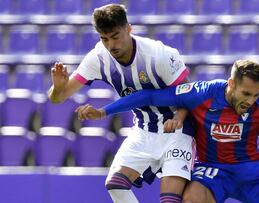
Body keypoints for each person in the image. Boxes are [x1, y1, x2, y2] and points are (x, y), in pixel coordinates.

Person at [76, 59, 259, 203]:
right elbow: (150, 95)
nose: (250, 100)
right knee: (191, 199)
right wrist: (104, 111)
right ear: (231, 84)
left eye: (255, 94)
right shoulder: (203, 93)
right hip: (213, 171)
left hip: (251, 172)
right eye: (246, 94)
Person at [47, 4, 195, 203]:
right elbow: (58, 98)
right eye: (104, 39)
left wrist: (178, 117)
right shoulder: (98, 58)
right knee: (115, 185)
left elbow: (189, 95)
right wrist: (57, 88)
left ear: (129, 29)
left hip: (178, 132)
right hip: (143, 130)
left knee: (170, 200)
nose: (111, 45)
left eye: (115, 36)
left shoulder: (159, 55)